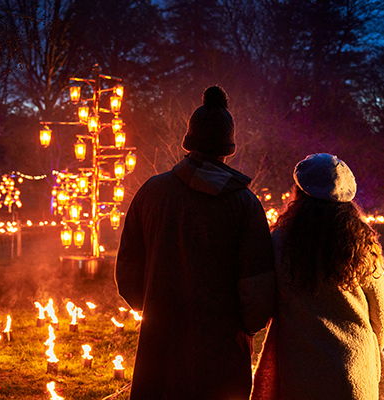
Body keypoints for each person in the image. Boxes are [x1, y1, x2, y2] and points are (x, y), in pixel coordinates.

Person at [115, 86, 274, 400]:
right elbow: (258, 286)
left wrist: (154, 309)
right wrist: (243, 328)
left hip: (160, 345)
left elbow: (128, 270)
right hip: (222, 351)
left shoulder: (151, 193)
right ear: (226, 147)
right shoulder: (245, 204)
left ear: (189, 140)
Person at [251, 153, 384, 400]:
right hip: (354, 365)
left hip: (301, 369)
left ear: (300, 193)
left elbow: (262, 301)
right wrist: (367, 348)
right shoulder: (361, 243)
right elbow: (383, 314)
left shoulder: (281, 242)